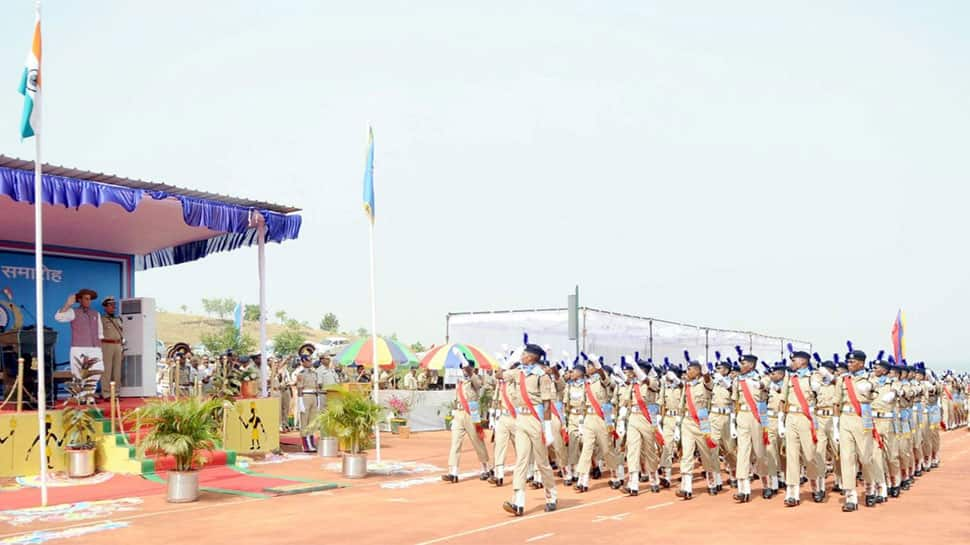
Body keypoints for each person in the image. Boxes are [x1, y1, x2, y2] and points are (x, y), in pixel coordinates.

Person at [502, 344, 558, 516]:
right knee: (521, 460)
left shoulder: (542, 377)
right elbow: (499, 375)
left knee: (542, 462)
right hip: (521, 419)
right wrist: (509, 360)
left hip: (536, 420)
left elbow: (547, 404)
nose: (522, 356)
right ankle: (518, 501)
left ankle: (551, 495)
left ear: (532, 357)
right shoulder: (518, 372)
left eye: (524, 354)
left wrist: (547, 429)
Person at [780, 350, 825, 506]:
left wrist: (816, 381)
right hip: (791, 417)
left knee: (810, 454)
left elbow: (819, 392)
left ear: (803, 361)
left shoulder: (814, 376)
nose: (792, 363)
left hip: (807, 418)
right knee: (791, 455)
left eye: (795, 360)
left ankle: (816, 486)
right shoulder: (789, 377)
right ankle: (792, 493)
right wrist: (781, 420)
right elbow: (782, 399)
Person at [442, 358, 492, 483]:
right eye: (462, 368)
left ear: (472, 368)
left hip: (472, 412)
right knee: (455, 443)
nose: (463, 370)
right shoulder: (460, 382)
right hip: (459, 413)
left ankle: (485, 468)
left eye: (465, 368)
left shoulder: (476, 379)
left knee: (477, 441)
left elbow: (479, 385)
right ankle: (453, 472)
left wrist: (470, 372)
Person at [839, 348, 877, 512]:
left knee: (865, 457)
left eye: (852, 362)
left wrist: (869, 389)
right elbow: (836, 401)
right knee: (847, 457)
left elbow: (877, 397)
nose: (849, 364)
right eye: (847, 361)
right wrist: (835, 425)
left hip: (863, 419)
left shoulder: (871, 378)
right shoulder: (843, 379)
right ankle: (850, 496)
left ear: (861, 363)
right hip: (845, 419)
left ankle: (870, 488)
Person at [676, 359, 720, 500]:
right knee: (687, 454)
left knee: (706, 454)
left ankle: (712, 483)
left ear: (697, 371)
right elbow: (682, 404)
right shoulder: (686, 386)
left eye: (690, 369)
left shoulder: (705, 383)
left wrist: (705, 368)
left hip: (702, 421)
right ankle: (686, 488)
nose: (687, 372)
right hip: (688, 422)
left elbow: (708, 379)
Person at [732, 354, 770, 503]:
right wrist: (733, 421)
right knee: (743, 451)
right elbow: (735, 401)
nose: (741, 366)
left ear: (752, 365)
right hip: (742, 415)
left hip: (758, 416)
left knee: (760, 452)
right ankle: (743, 489)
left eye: (744, 363)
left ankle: (766, 483)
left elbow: (764, 387)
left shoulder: (762, 377)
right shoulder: (737, 381)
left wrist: (757, 384)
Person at [54, 288, 104, 387]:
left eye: (89, 299)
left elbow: (100, 332)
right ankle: (80, 397)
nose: (88, 301)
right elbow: (58, 317)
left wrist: (100, 347)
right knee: (78, 373)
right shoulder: (73, 312)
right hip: (79, 348)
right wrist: (68, 304)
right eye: (86, 298)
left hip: (95, 348)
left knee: (97, 371)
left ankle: (89, 395)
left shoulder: (95, 314)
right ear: (80, 300)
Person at [489, 367, 518, 487]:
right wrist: (493, 418)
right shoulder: (501, 385)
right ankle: (498, 475)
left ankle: (530, 472)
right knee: (499, 445)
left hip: (517, 418)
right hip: (504, 417)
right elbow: (497, 401)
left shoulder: (519, 381)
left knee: (520, 447)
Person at [98, 296, 124, 399]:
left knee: (117, 371)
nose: (113, 307)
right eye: (111, 305)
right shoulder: (102, 319)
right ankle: (106, 393)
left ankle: (116, 393)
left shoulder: (118, 319)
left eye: (114, 305)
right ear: (105, 307)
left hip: (118, 345)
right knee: (106, 370)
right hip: (106, 345)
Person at [294, 355, 321, 452]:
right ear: (303, 362)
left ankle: (311, 443)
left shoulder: (314, 373)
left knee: (312, 421)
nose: (310, 362)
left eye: (311, 360)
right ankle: (305, 444)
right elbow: (299, 388)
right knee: (304, 421)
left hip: (313, 395)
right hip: (305, 396)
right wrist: (300, 401)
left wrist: (318, 398)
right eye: (308, 361)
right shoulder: (300, 373)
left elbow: (317, 386)